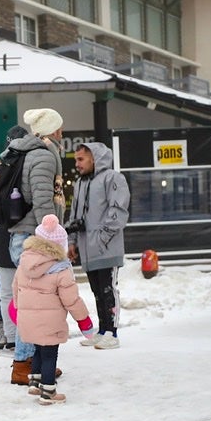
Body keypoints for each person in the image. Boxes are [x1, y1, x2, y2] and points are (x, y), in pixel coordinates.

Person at [6, 108, 66, 384]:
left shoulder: (30, 153)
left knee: (35, 304)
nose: (62, 134)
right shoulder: (42, 155)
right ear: (52, 130)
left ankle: (36, 363)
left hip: (28, 235)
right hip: (34, 236)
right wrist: (50, 236)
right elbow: (43, 199)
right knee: (33, 306)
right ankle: (23, 363)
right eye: (59, 129)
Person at [10, 214, 95, 405]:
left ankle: (35, 381)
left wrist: (19, 309)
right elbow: (71, 300)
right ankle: (48, 392)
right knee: (49, 354)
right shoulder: (61, 269)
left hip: (29, 318)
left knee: (38, 349)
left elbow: (15, 288)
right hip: (50, 322)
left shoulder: (24, 262)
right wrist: (84, 321)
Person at [66, 141, 130, 345]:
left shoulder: (113, 178)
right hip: (87, 248)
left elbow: (118, 210)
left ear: (95, 158)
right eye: (76, 159)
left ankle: (112, 332)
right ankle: (102, 331)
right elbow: (75, 215)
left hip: (106, 247)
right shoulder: (80, 183)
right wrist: (72, 241)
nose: (77, 164)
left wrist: (102, 238)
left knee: (108, 289)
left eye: (81, 159)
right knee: (96, 290)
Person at [0, 125, 29, 354]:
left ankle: (16, 337)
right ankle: (17, 336)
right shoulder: (0, 174)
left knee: (10, 292)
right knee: (14, 292)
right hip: (13, 236)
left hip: (7, 236)